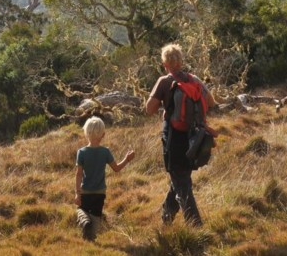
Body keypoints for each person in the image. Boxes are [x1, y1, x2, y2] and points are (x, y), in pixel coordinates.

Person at [145, 43, 216, 226]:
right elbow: (211, 101)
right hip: (195, 138)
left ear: (165, 63)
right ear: (181, 61)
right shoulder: (194, 79)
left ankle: (196, 228)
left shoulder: (164, 81)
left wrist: (165, 103)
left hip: (174, 138)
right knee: (180, 177)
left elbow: (149, 109)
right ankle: (166, 219)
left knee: (182, 183)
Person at [75, 116, 135, 241]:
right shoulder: (105, 152)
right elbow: (117, 168)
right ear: (103, 134)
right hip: (100, 192)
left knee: (81, 211)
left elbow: (78, 174)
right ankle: (91, 238)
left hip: (85, 191)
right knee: (96, 217)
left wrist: (77, 193)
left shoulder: (81, 152)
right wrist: (127, 159)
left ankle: (85, 221)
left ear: (86, 133)